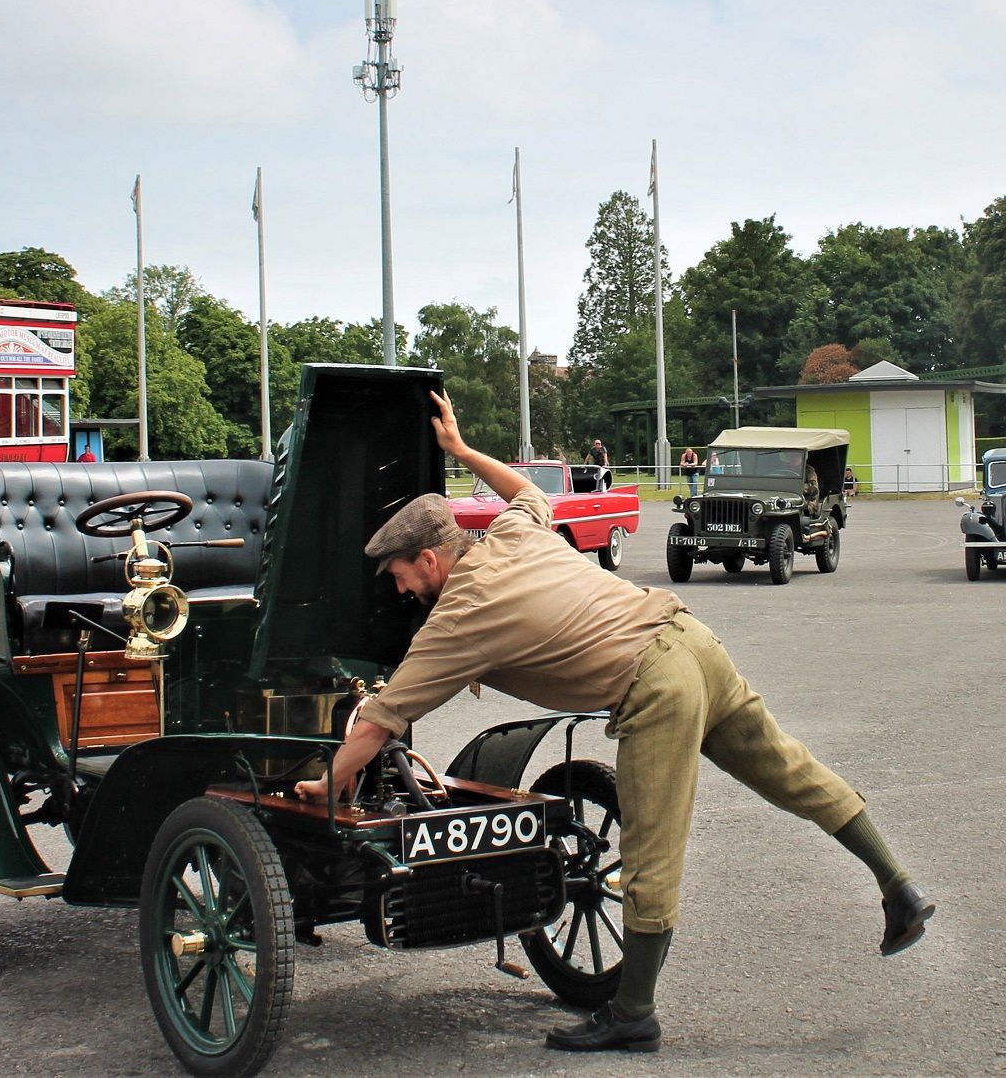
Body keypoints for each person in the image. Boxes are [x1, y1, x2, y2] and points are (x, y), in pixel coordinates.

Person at [296, 392, 932, 1053]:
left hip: (654, 685)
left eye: (400, 576)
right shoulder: (510, 534)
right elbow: (525, 491)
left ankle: (633, 1013)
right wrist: (460, 452)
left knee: (651, 847)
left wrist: (328, 784)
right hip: (691, 639)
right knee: (788, 769)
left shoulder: (460, 613)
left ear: (430, 560)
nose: (400, 591)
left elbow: (379, 722)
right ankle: (898, 886)